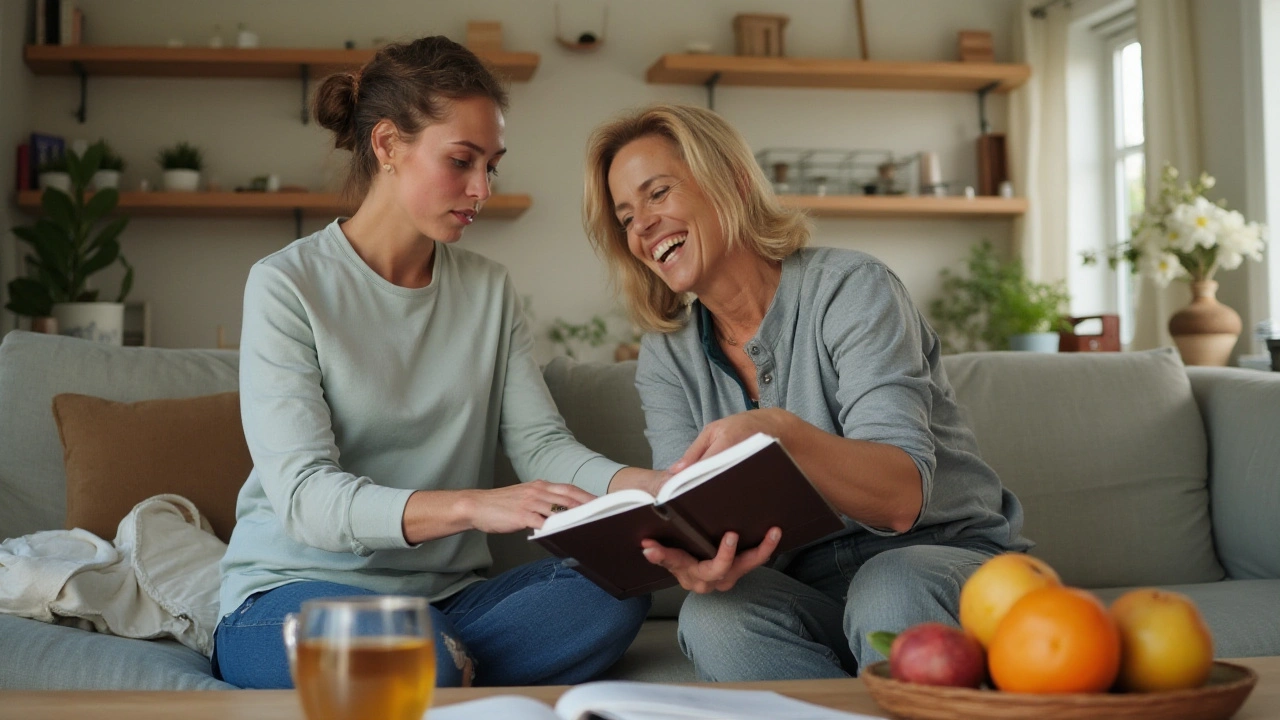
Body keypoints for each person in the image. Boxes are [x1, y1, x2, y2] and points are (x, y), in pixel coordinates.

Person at [213, 37, 659, 689]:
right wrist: (470, 507)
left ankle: (443, 666)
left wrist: (642, 486)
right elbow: (306, 497)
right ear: (388, 145)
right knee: (405, 646)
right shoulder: (287, 284)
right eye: (461, 161)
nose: (481, 189)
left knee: (616, 589)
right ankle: (437, 664)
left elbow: (539, 444)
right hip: (290, 593)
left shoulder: (488, 289)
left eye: (491, 165)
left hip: (448, 602)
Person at [582, 103, 1031, 681]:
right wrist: (695, 562)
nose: (640, 226)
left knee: (888, 587)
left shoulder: (851, 288)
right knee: (713, 613)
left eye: (658, 193)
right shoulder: (666, 354)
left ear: (734, 183)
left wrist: (779, 431)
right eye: (624, 217)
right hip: (805, 589)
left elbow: (899, 500)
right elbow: (685, 505)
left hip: (942, 562)